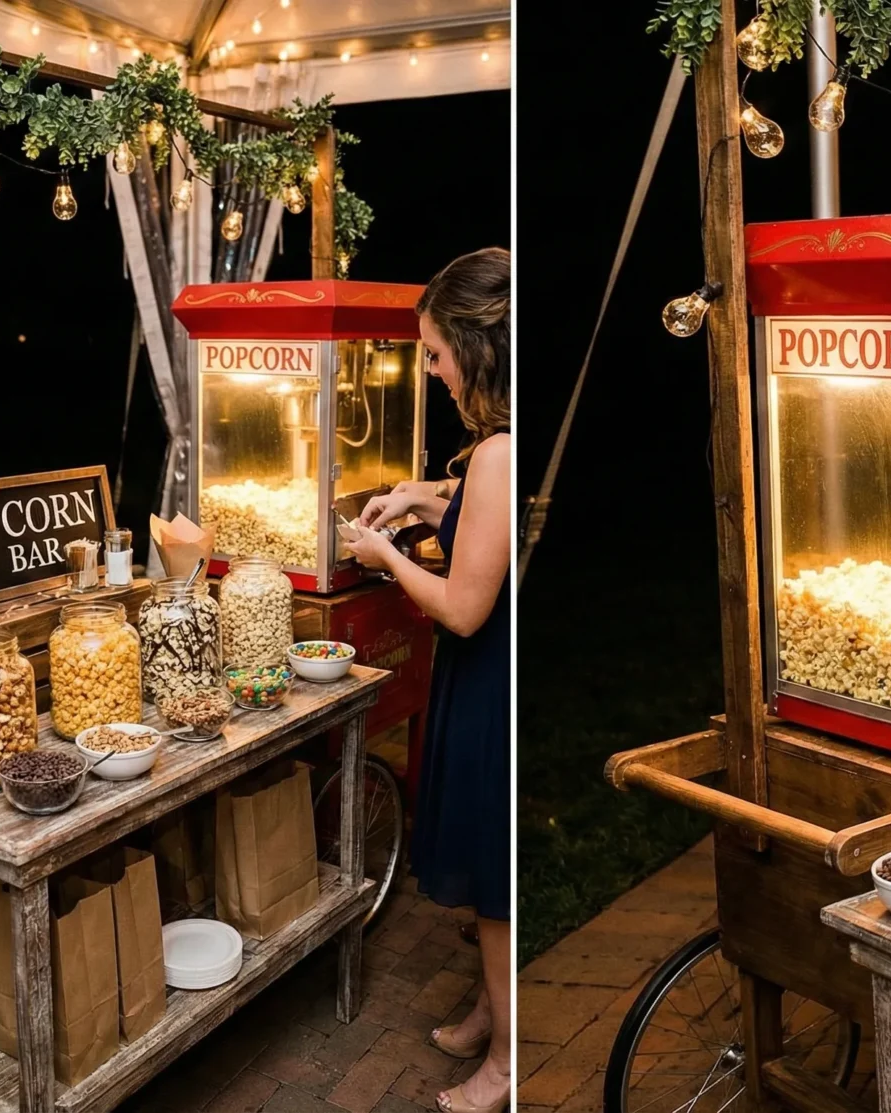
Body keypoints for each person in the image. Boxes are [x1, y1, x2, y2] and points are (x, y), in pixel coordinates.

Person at [346, 248, 511, 1113]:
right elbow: (484, 523)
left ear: (478, 348)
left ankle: (508, 1065)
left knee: (494, 876)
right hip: (486, 679)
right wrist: (418, 496)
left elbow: (463, 606)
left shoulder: (497, 453)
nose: (434, 371)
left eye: (439, 353)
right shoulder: (496, 448)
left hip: (492, 682)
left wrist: (380, 555)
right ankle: (493, 1006)